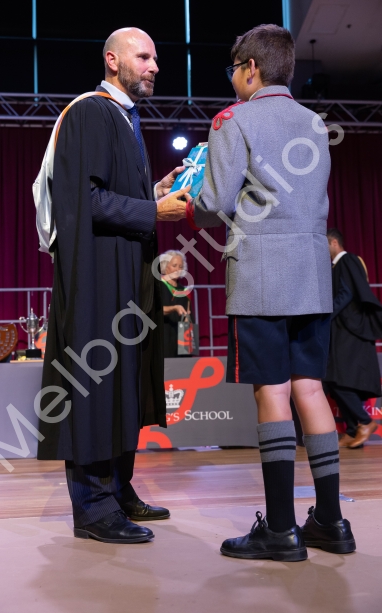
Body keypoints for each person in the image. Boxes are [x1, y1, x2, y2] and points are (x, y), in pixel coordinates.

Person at [187, 24, 356, 561]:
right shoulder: (314, 123)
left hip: (261, 273)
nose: (233, 78)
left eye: (233, 69)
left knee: (273, 394)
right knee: (311, 390)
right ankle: (331, 521)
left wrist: (187, 196)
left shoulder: (233, 119)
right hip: (311, 273)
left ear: (251, 69)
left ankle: (281, 529)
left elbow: (215, 204)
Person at [36, 27, 190, 544]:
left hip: (128, 272)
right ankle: (93, 507)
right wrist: (153, 211)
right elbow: (86, 201)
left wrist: (153, 193)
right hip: (98, 278)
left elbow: (110, 193)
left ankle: (119, 488)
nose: (154, 66)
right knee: (97, 386)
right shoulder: (90, 112)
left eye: (155, 57)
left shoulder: (125, 117)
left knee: (126, 380)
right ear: (112, 60)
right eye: (143, 56)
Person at [323, 228, 382, 448]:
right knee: (333, 380)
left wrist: (326, 317)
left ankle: (365, 422)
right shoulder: (334, 267)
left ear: (334, 243)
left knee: (339, 379)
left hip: (350, 331)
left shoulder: (347, 260)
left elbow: (346, 294)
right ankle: (351, 428)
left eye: (325, 245)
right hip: (339, 331)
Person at [160, 250, 192, 357]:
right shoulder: (157, 286)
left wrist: (188, 317)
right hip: (162, 336)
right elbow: (155, 310)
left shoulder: (184, 291)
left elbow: (188, 313)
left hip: (180, 339)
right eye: (174, 266)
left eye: (180, 266)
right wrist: (174, 308)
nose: (178, 269)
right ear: (165, 266)